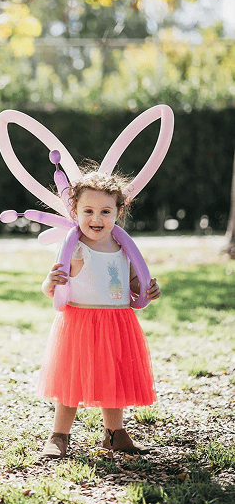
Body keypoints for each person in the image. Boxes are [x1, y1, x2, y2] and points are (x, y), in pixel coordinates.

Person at [36, 169, 161, 459]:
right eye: (88, 211)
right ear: (76, 212)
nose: (96, 219)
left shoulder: (122, 247)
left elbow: (133, 283)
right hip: (80, 321)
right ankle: (59, 435)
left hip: (117, 321)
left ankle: (115, 433)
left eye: (106, 211)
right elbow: (54, 286)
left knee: (113, 377)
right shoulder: (74, 247)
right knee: (72, 380)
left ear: (119, 211)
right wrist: (49, 283)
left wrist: (147, 290)